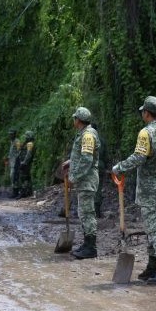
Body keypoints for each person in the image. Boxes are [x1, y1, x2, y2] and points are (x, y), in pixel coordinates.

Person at [112, 96, 156, 285]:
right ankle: (152, 268)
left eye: (143, 111)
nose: (142, 114)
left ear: (147, 113)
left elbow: (139, 157)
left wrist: (119, 167)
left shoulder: (146, 133)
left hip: (151, 191)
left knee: (155, 230)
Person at [63, 107, 101, 259]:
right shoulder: (84, 134)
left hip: (87, 179)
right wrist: (70, 162)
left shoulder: (87, 136)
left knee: (87, 213)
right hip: (85, 179)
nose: (74, 121)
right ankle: (87, 244)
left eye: (74, 119)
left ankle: (91, 247)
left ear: (78, 120)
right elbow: (82, 155)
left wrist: (74, 177)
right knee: (83, 213)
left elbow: (87, 160)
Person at [17, 130, 36, 198]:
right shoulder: (27, 143)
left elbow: (28, 154)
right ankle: (27, 192)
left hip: (27, 164)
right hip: (26, 163)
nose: (25, 138)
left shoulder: (30, 144)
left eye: (27, 137)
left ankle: (23, 193)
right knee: (26, 178)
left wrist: (24, 163)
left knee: (24, 177)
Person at [7, 129, 22, 198]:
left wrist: (17, 160)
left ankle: (16, 192)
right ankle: (14, 192)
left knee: (14, 176)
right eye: (9, 134)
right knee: (12, 177)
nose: (10, 135)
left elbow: (19, 151)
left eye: (11, 134)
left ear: (14, 134)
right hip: (12, 162)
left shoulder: (17, 141)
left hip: (15, 162)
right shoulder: (12, 141)